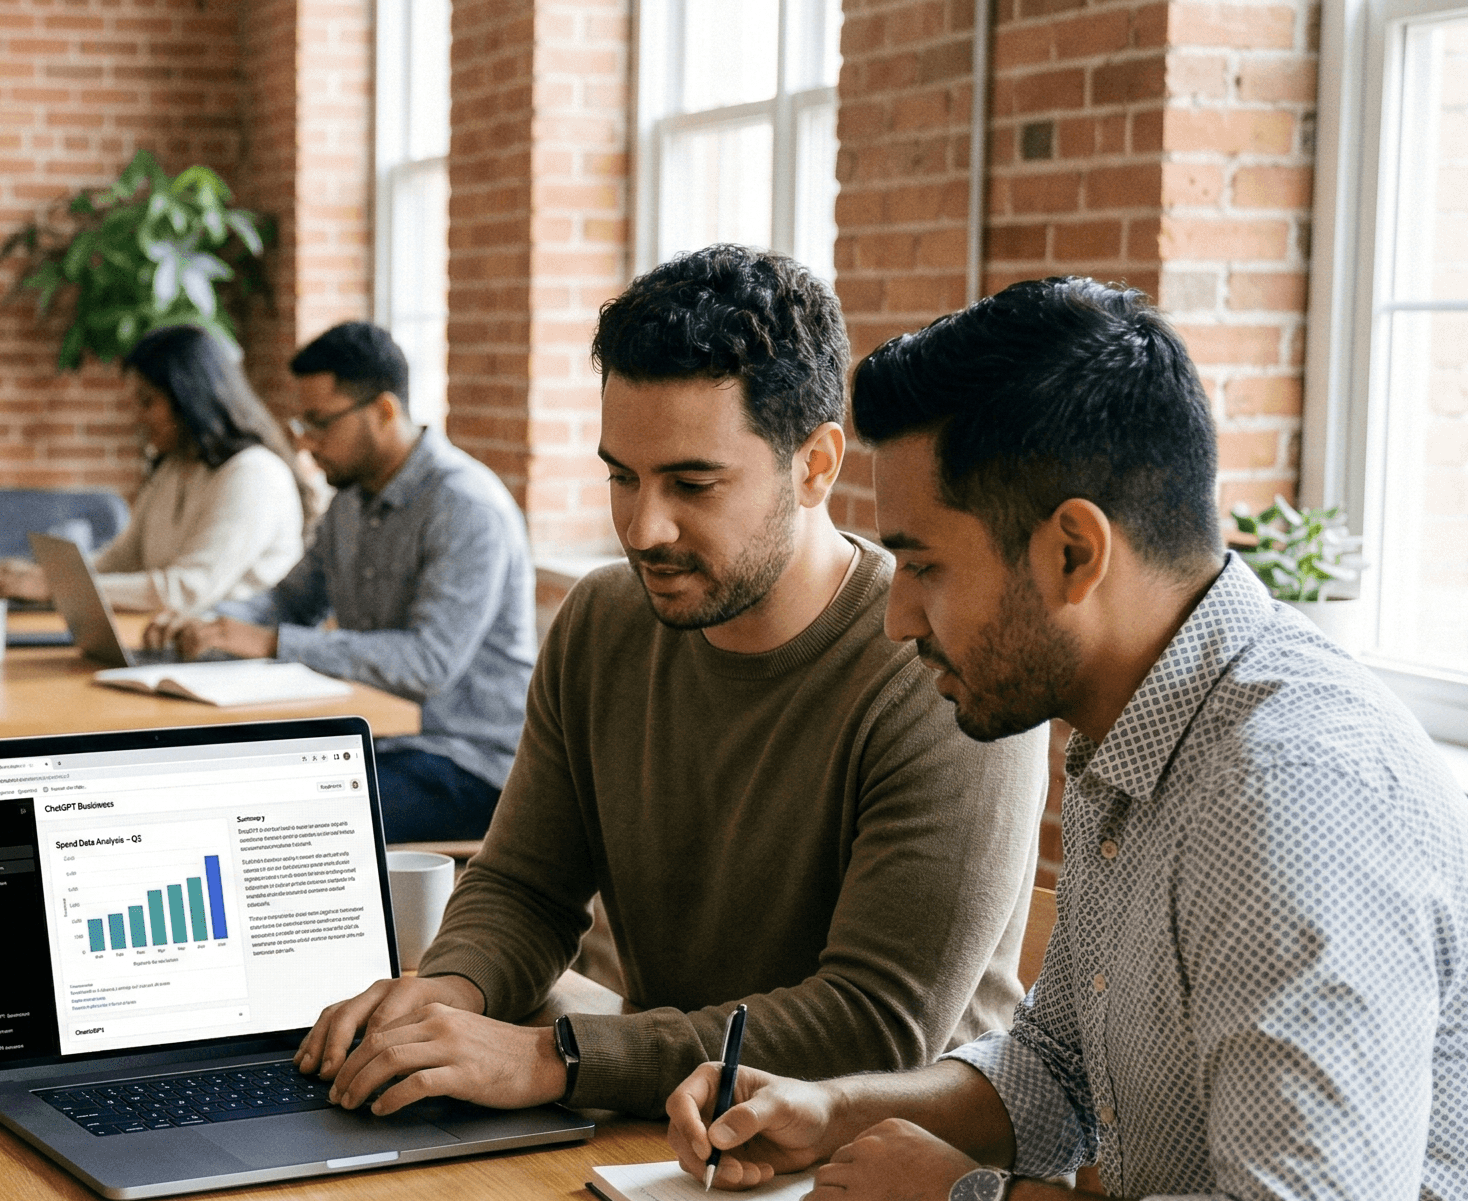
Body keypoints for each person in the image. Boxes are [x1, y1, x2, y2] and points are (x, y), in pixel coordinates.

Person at [671, 276, 1468, 1201]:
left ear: (1071, 551)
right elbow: (1059, 1072)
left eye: (921, 565)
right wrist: (840, 1112)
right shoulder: (1140, 728)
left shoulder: (1287, 793)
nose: (896, 618)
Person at [297, 245, 1049, 1120]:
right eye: (623, 477)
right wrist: (450, 995)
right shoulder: (602, 619)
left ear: (816, 466)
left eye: (693, 484)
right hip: (668, 1138)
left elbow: (873, 1025)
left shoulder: (935, 667)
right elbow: (523, 886)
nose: (644, 527)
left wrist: (557, 1059)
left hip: (880, 1171)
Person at [148, 321, 533, 841]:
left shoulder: (465, 507)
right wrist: (211, 626)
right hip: (370, 741)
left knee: (277, 826)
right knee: (207, 783)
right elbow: (287, 601)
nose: (305, 445)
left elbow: (428, 664)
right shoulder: (348, 503)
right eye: (300, 424)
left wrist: (270, 643)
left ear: (384, 411)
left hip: (467, 763)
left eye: (320, 423)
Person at [0, 323, 314, 613]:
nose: (138, 415)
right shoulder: (175, 466)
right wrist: (35, 575)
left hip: (232, 669)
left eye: (148, 401)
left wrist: (55, 586)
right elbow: (123, 558)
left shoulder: (253, 475)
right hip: (171, 644)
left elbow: (186, 591)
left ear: (188, 399)